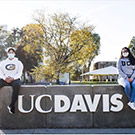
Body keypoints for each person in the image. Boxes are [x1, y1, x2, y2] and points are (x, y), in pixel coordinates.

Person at [0, 47, 23, 114]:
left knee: (17, 86)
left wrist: (13, 78)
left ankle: (12, 106)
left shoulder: (19, 63)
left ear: (14, 54)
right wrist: (5, 78)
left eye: (12, 53)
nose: (11, 54)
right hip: (5, 80)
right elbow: (0, 73)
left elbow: (19, 73)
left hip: (15, 80)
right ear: (7, 54)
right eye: (9, 53)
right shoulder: (2, 63)